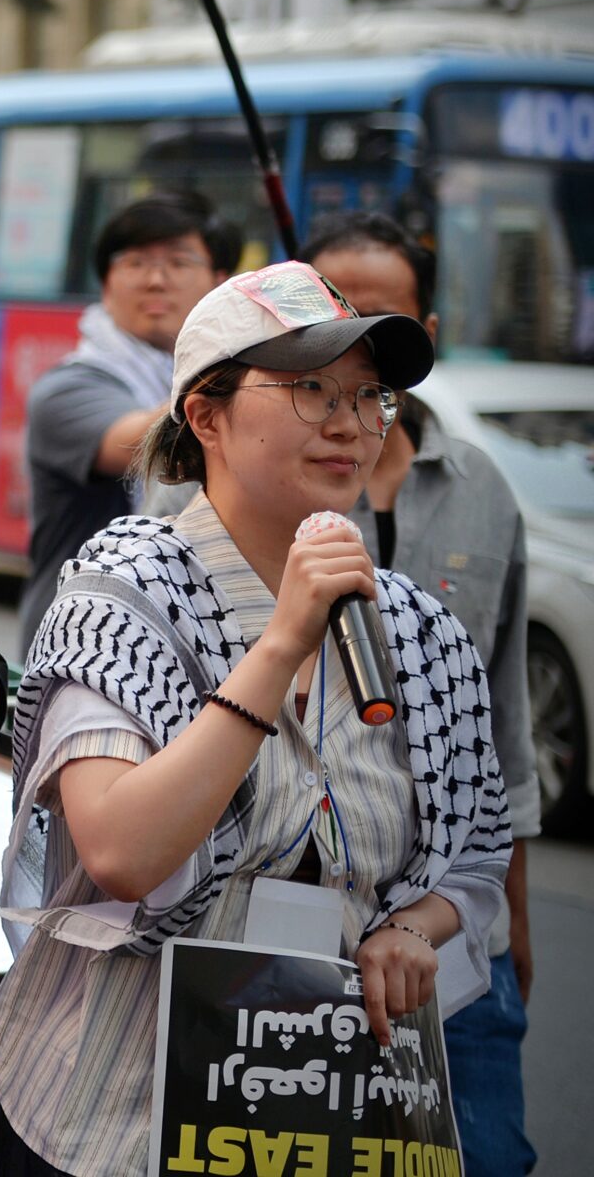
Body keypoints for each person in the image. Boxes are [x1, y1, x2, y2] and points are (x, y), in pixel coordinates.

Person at [0, 263, 511, 1176]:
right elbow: (122, 853)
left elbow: (482, 847)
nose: (350, 424)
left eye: (371, 395)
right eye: (308, 389)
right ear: (205, 416)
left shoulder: (416, 626)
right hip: (107, 1121)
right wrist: (281, 645)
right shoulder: (124, 592)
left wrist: (416, 926)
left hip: (321, 1113)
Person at [302, 211, 538, 1172]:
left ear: (425, 336)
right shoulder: (255, 477)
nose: (357, 337)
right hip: (293, 941)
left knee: (482, 1155)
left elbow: (506, 739)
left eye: (382, 318)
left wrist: (507, 923)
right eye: (331, 314)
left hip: (448, 927)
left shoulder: (481, 486)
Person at [20, 192, 236, 653]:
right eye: (136, 262)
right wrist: (238, 356)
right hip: (83, 644)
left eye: (179, 263)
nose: (156, 280)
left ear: (219, 283)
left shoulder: (219, 381)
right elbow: (145, 441)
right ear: (106, 284)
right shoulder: (66, 388)